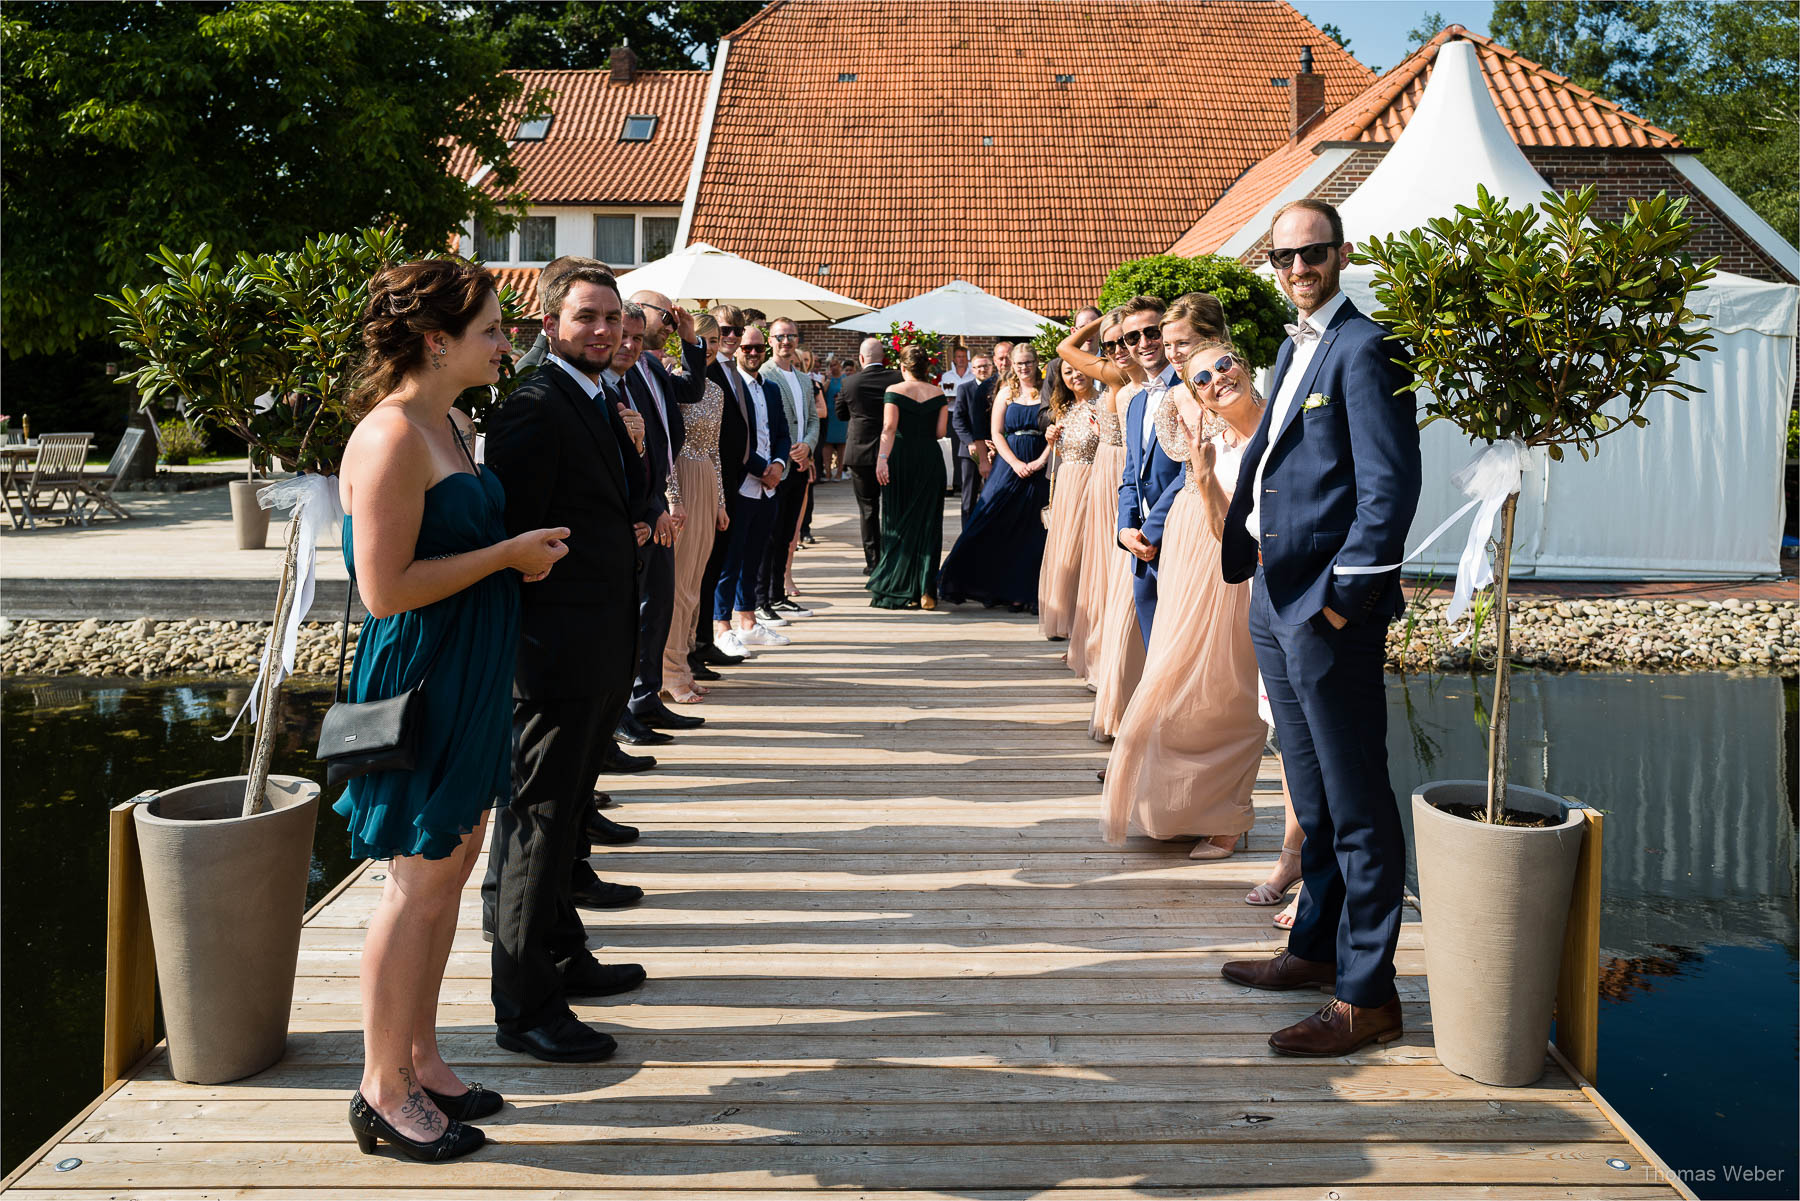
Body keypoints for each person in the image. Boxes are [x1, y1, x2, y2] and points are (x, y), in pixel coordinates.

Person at [336, 261, 564, 1159]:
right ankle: (380, 1088)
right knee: (418, 877)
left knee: (454, 862)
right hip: (425, 674)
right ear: (438, 341)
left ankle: (421, 1056)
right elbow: (385, 590)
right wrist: (508, 554)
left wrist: (512, 557)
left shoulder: (454, 422)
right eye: (493, 331)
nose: (506, 343)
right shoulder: (393, 435)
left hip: (469, 667)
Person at [1217, 198, 1422, 1058]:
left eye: (1313, 254)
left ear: (1341, 254)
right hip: (1274, 596)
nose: (1298, 269)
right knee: (1313, 800)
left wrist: (1342, 598)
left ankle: (1367, 995)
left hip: (1326, 610)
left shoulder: (1368, 349)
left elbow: (1389, 489)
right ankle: (1312, 950)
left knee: (1359, 802)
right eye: (1284, 258)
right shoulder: (1292, 344)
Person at [482, 263, 648, 1068]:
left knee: (569, 816)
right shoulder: (532, 409)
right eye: (587, 317)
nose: (606, 330)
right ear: (549, 324)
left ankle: (561, 948)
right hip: (552, 659)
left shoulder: (595, 397)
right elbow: (514, 541)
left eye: (613, 317)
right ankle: (524, 1004)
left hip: (599, 648)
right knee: (538, 824)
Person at [1101, 328, 1265, 858]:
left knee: (1230, 689)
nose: (1169, 350)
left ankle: (1229, 815)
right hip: (1194, 552)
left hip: (1240, 560)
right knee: (1174, 680)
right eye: (1197, 372)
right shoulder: (1190, 411)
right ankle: (1180, 804)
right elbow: (1154, 474)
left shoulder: (1272, 416)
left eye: (1181, 340)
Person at [617, 292, 709, 738]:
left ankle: (648, 698)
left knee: (659, 603)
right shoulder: (616, 375)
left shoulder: (652, 366)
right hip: (642, 512)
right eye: (665, 313)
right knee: (638, 610)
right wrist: (653, 507)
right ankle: (629, 706)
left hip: (658, 505)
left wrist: (691, 339)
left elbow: (692, 389)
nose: (672, 320)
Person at [937, 343, 1051, 612]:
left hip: (1040, 465)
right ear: (1012, 364)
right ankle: (975, 582)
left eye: (1029, 362)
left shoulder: (1048, 391)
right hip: (1008, 465)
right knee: (989, 519)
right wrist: (1014, 463)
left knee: (1032, 531)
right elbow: (996, 432)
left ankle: (1027, 591)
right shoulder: (1005, 393)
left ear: (1037, 362)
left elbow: (1057, 429)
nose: (1024, 368)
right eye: (1019, 363)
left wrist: (1040, 461)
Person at [1060, 309, 1140, 680]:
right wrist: (1103, 321)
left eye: (1124, 340)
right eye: (1109, 344)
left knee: (1115, 565)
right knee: (1099, 563)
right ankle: (1096, 649)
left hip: (1123, 468)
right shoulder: (1110, 372)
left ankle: (1110, 651)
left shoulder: (1125, 375)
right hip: (1104, 470)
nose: (1117, 348)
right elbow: (1066, 346)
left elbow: (1067, 347)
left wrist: (1112, 321)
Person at [660, 312, 730, 705]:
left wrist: (720, 500)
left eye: (716, 340)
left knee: (696, 582)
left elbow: (716, 450)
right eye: (704, 340)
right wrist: (674, 496)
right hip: (681, 479)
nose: (711, 347)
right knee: (678, 582)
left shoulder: (717, 392)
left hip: (705, 477)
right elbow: (666, 446)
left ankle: (683, 666)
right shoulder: (671, 383)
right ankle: (668, 673)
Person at [713, 326, 793, 648]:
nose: (753, 353)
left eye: (758, 348)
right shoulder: (732, 388)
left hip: (770, 486)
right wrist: (762, 468)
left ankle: (748, 620)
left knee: (756, 556)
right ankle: (722, 627)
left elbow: (783, 433)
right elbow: (732, 441)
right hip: (742, 483)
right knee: (730, 558)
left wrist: (779, 465)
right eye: (747, 348)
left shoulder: (771, 389)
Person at [692, 305, 755, 668]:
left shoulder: (727, 372)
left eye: (730, 334)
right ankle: (696, 643)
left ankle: (702, 641)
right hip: (701, 481)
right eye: (714, 337)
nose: (725, 341)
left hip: (727, 481)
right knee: (700, 567)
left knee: (715, 564)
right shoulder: (695, 376)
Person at [867, 343, 950, 609]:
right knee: (928, 524)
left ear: (902, 367)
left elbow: (889, 428)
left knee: (895, 521)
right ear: (927, 367)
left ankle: (902, 589)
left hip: (900, 459)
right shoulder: (938, 394)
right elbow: (940, 432)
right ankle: (926, 591)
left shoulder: (893, 391)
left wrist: (882, 460)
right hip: (929, 459)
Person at [756, 319, 817, 622]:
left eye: (791, 336)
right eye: (780, 336)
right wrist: (789, 451)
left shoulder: (804, 379)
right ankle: (761, 599)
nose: (786, 341)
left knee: (786, 536)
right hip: (777, 466)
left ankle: (778, 595)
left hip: (801, 465)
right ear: (770, 340)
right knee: (769, 535)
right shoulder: (764, 374)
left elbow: (814, 419)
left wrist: (807, 446)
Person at [1036, 358, 1099, 641]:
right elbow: (1061, 455)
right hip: (1067, 487)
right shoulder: (1064, 409)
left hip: (1093, 485)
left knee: (1087, 556)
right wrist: (1052, 440)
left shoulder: (1103, 404)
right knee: (1067, 557)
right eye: (1067, 372)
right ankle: (1071, 625)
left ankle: (1086, 630)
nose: (1075, 376)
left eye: (1078, 369)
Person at [836, 336, 902, 572]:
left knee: (868, 509)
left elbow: (841, 413)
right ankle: (894, 558)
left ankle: (873, 563)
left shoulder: (850, 383)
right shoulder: (897, 378)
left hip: (860, 452)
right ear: (883, 358)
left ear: (861, 359)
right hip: (892, 450)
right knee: (894, 507)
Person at [949, 340, 1012, 524]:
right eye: (979, 367)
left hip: (1000, 448)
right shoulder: (966, 388)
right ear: (973, 369)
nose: (983, 370)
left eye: (985, 366)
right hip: (971, 451)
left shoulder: (1011, 386)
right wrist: (971, 442)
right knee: (968, 498)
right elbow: (958, 420)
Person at [821, 356, 849, 480]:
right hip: (830, 414)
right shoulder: (827, 379)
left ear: (839, 365)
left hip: (841, 415)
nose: (833, 367)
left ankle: (839, 473)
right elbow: (822, 393)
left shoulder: (846, 379)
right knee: (827, 444)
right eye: (831, 365)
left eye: (835, 365)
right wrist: (827, 380)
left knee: (842, 444)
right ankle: (827, 472)